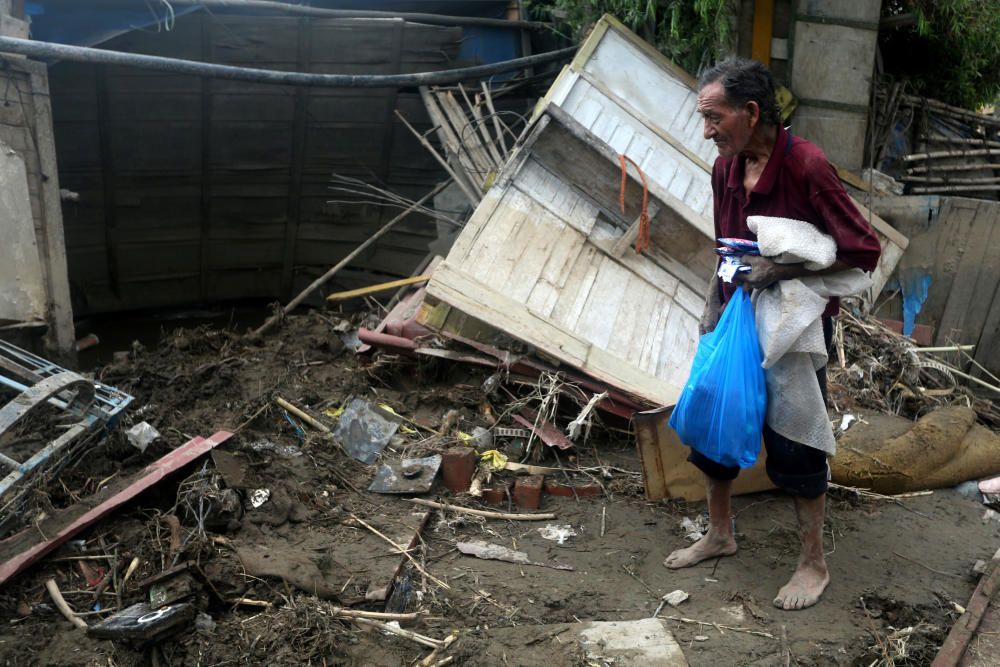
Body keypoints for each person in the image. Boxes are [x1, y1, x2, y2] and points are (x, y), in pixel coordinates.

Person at [663, 57, 881, 611]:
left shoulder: (806, 165)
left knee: (794, 438)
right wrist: (715, 303)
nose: (706, 131)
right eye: (704, 118)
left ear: (751, 112)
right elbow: (726, 246)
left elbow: (862, 250)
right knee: (717, 415)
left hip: (794, 326)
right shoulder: (725, 171)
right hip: (738, 315)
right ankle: (720, 533)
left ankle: (813, 563)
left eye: (714, 118)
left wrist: (782, 270)